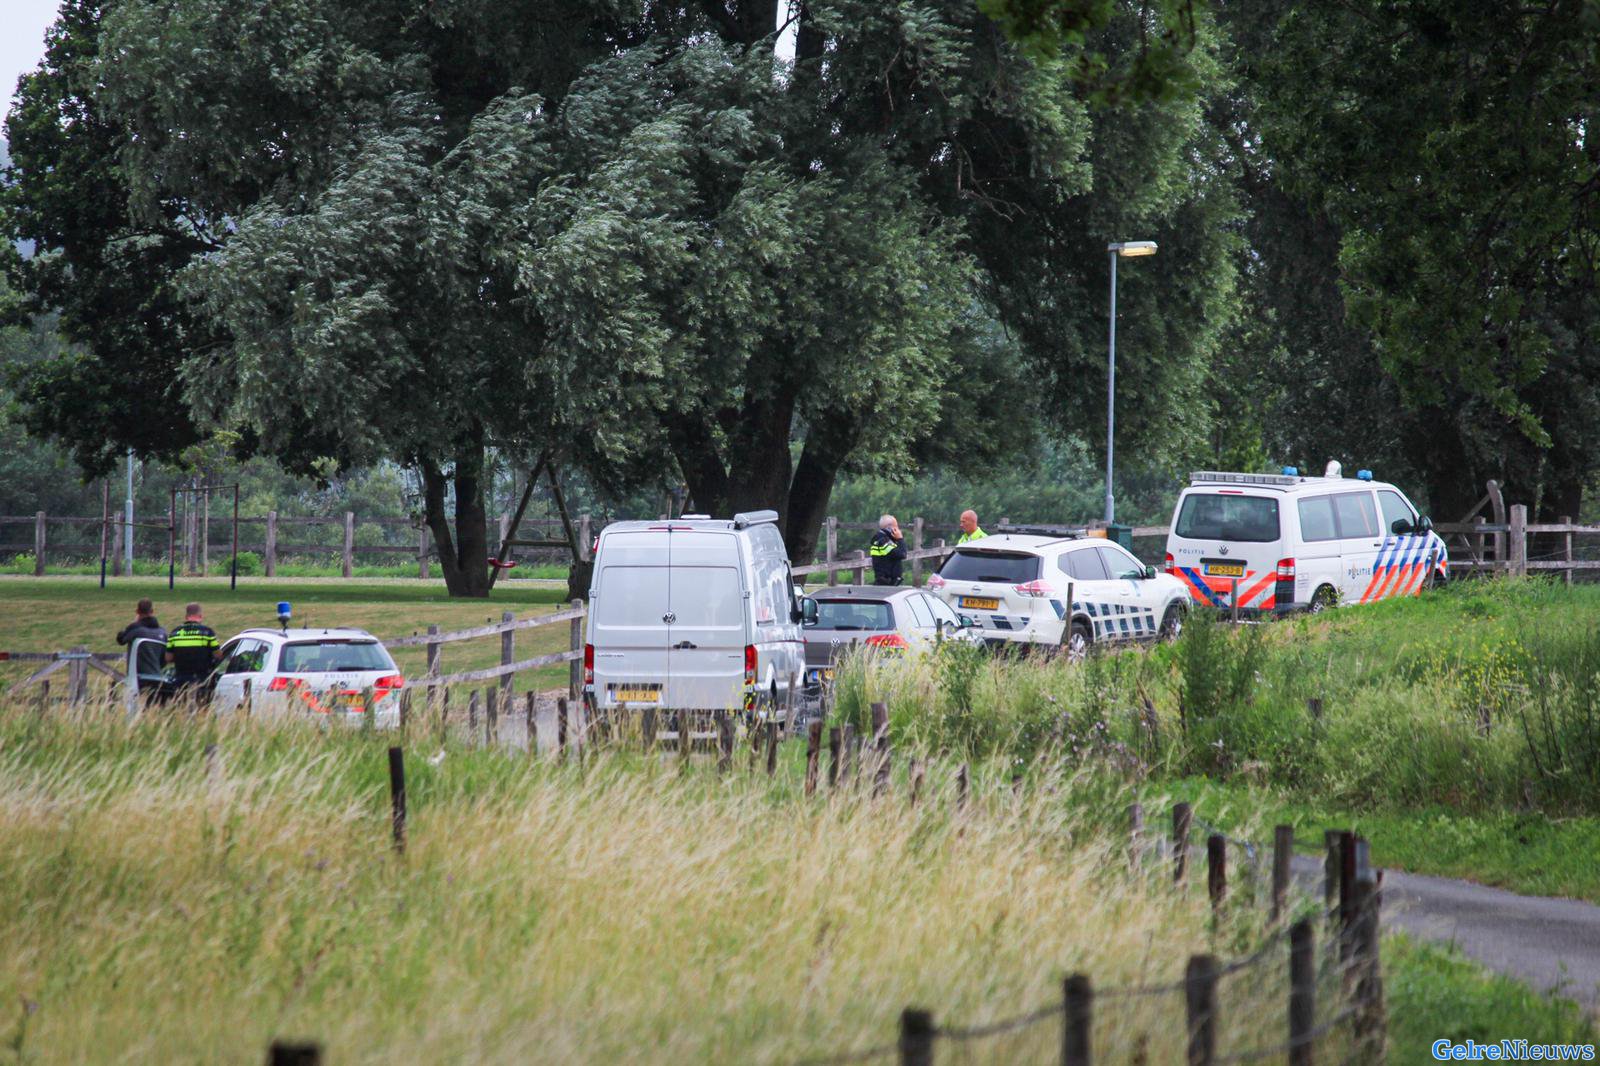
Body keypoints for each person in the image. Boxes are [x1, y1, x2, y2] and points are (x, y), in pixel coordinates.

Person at [164, 602, 222, 703]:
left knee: (182, 707)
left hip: (181, 678)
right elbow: (218, 655)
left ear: (186, 616)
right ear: (200, 616)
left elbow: (168, 658)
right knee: (201, 708)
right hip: (202, 679)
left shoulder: (174, 633)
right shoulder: (207, 632)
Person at [116, 599, 169, 703]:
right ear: (152, 611)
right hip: (157, 676)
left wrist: (135, 622)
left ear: (137, 612)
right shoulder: (162, 632)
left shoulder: (136, 629)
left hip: (137, 677)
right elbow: (165, 658)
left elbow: (120, 639)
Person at [869, 514, 906, 586]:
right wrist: (900, 539)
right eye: (896, 526)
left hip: (888, 583)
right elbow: (902, 554)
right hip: (886, 583)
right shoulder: (883, 541)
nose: (898, 529)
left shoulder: (884, 539)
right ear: (889, 528)